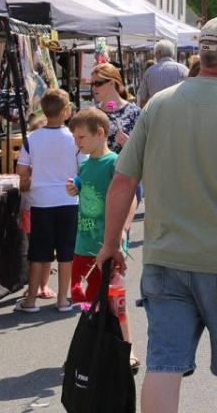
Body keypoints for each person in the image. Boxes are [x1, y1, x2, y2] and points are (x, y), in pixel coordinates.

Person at [96, 15, 217, 413]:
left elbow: (121, 182)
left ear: (203, 56)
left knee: (164, 363)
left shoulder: (158, 107)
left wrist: (110, 244)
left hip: (166, 259)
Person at [65, 107, 140, 371]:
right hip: (84, 243)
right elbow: (85, 186)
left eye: (81, 137)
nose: (77, 143)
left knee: (114, 299)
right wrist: (76, 185)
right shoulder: (85, 164)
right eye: (74, 138)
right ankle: (94, 346)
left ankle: (126, 349)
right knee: (86, 299)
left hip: (108, 244)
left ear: (100, 133)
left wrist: (123, 231)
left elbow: (131, 197)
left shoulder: (115, 163)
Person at [14, 89, 80, 313]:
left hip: (40, 201)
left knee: (39, 253)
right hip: (69, 200)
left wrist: (30, 179)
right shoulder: (75, 138)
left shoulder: (32, 138)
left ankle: (30, 300)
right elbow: (84, 168)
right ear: (66, 111)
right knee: (66, 253)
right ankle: (62, 299)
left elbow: (21, 170)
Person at [91, 63, 141, 154]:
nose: (93, 88)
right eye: (92, 84)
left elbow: (143, 146)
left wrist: (129, 144)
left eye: (98, 83)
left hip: (126, 167)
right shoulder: (92, 114)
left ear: (111, 83)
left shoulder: (134, 112)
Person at [138, 40, 190, 107]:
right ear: (172, 53)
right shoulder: (184, 70)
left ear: (159, 52)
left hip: (155, 114)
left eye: (155, 53)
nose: (155, 56)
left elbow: (142, 99)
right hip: (178, 113)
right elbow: (189, 96)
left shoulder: (149, 72)